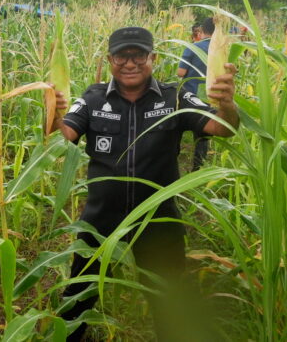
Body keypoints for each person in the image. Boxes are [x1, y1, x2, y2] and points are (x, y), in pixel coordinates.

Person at [52, 26, 239, 341]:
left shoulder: (175, 97)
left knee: (168, 301)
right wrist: (53, 110)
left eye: (138, 54)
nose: (130, 63)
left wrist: (228, 106)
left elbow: (223, 128)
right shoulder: (93, 97)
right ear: (110, 59)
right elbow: (64, 135)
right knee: (77, 298)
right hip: (101, 220)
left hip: (158, 221)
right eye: (121, 56)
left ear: (152, 57)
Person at [178, 17, 215, 170]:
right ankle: (197, 167)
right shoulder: (222, 49)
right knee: (202, 132)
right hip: (210, 95)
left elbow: (181, 72)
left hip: (191, 94)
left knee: (179, 125)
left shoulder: (194, 47)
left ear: (202, 30)